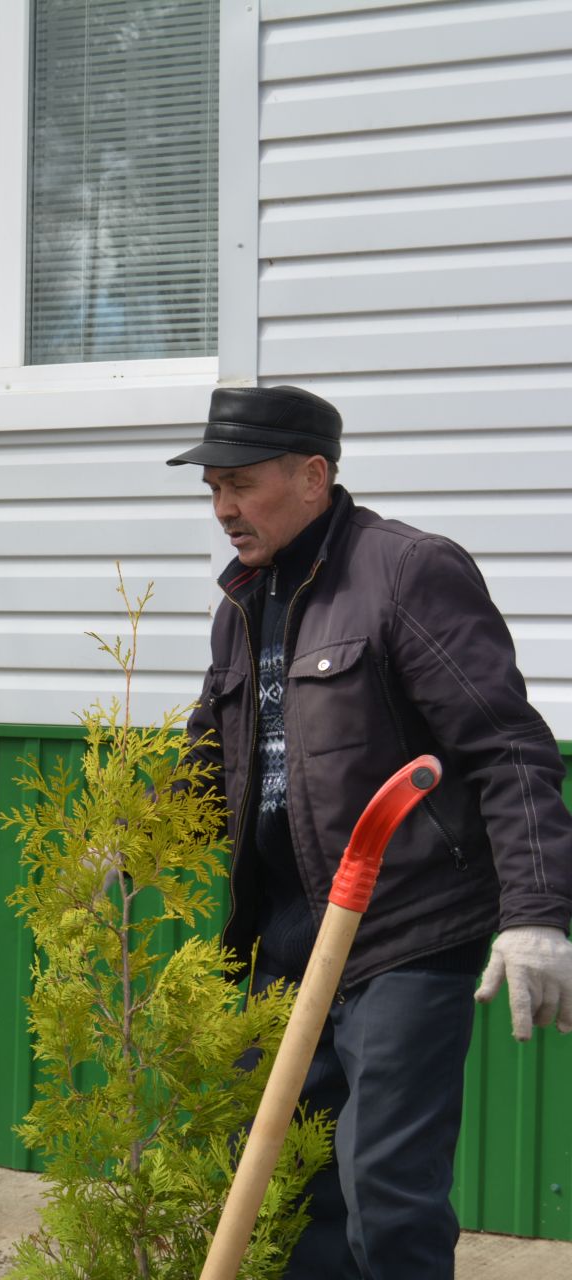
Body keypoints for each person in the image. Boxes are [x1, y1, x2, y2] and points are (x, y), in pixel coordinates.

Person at [171, 384, 572, 1276]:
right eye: (212, 490)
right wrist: (133, 833)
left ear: (313, 475)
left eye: (239, 484)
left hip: (404, 936)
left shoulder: (406, 571)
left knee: (385, 1193)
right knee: (294, 1193)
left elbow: (506, 746)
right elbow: (213, 755)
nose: (224, 509)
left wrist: (537, 913)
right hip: (283, 944)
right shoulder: (242, 601)